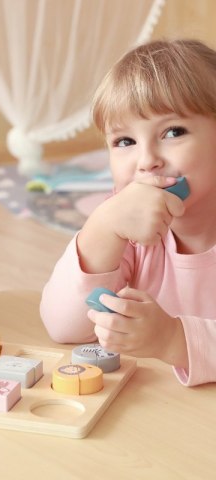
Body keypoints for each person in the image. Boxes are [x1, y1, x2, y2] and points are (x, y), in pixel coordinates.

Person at [40, 39, 216, 387]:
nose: (147, 161)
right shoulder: (129, 230)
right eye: (125, 142)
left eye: (173, 132)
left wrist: (174, 341)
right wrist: (102, 227)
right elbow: (64, 327)